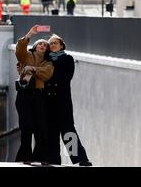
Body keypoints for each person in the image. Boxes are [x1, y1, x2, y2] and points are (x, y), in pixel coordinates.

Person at [45, 35, 92, 166]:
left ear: (61, 46)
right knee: (51, 134)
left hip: (62, 103)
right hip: (48, 103)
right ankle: (53, 161)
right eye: (51, 44)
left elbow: (65, 77)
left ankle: (81, 160)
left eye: (55, 43)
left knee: (68, 132)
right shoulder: (45, 59)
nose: (53, 45)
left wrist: (48, 76)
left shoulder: (67, 59)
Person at [15, 26, 54, 163]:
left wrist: (32, 68)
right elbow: (19, 50)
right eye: (40, 44)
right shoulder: (27, 56)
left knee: (40, 128)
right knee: (26, 127)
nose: (43, 45)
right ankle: (24, 157)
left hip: (39, 96)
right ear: (35, 46)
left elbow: (47, 73)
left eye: (45, 45)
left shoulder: (48, 62)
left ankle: (39, 157)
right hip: (24, 95)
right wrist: (29, 34)